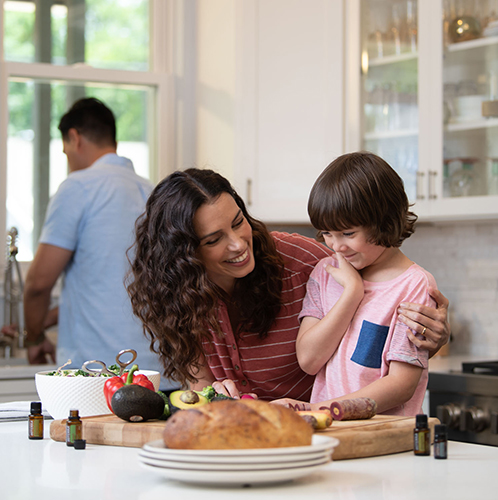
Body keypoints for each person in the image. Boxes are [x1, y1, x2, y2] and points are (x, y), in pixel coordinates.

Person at [127, 167, 450, 400]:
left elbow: (378, 293)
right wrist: (213, 395)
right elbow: (201, 384)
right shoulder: (176, 295)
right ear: (184, 256)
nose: (239, 244)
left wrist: (431, 336)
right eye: (214, 240)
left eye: (239, 222)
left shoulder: (307, 263)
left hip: (316, 432)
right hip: (245, 436)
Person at [272, 151, 437, 415]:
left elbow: (401, 385)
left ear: (384, 221)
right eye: (327, 233)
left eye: (348, 233)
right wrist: (351, 293)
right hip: (329, 433)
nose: (336, 246)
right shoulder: (325, 273)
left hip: (385, 439)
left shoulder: (415, 286)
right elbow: (309, 360)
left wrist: (321, 410)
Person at [23, 98, 171, 388]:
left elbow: (38, 284)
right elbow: (117, 291)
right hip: (159, 375)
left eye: (65, 151)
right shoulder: (154, 193)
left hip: (98, 381)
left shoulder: (78, 187)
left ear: (75, 138)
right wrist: (49, 319)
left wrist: (34, 337)